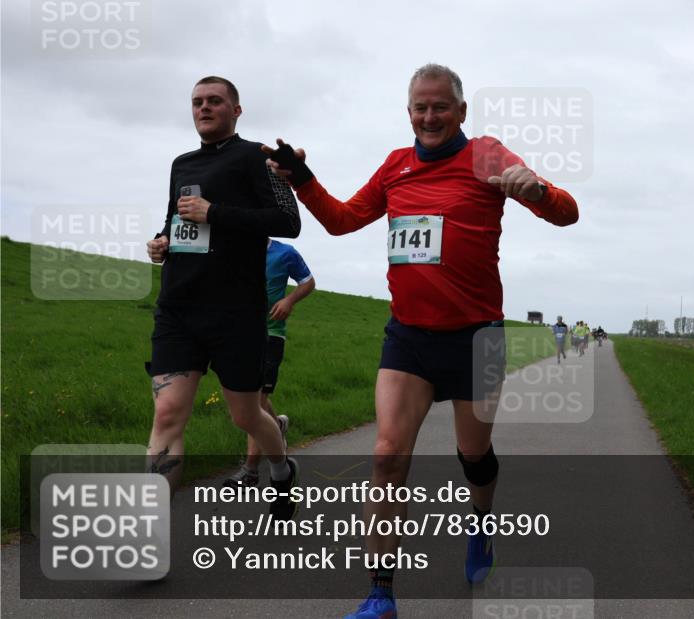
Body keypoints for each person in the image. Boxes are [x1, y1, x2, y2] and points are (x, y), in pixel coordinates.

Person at [266, 63, 578, 619]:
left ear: (461, 111)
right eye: (419, 107)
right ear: (408, 112)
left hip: (478, 339)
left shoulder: (486, 154)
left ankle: (481, 525)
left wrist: (538, 191)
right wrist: (302, 180)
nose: (429, 117)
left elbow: (567, 213)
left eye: (440, 107)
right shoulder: (396, 166)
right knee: (387, 456)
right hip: (408, 337)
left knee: (473, 454)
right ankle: (380, 594)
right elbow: (342, 220)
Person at [145, 76, 302, 520]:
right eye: (197, 101)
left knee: (246, 416)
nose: (204, 108)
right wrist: (161, 241)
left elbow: (288, 221)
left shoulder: (257, 157)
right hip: (179, 307)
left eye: (215, 101)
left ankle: (281, 468)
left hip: (236, 310)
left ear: (236, 110)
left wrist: (214, 213)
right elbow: (176, 221)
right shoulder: (182, 164)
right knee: (167, 415)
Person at [223, 239, 315, 488]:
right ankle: (277, 425)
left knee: (257, 402)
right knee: (251, 398)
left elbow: (308, 282)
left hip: (271, 334)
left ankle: (250, 470)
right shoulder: (234, 249)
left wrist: (289, 301)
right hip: (240, 334)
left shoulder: (285, 253)